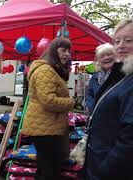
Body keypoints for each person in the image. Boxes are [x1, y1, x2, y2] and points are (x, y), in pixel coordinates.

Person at [85, 18, 133, 180]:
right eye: (117, 41)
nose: (121, 45)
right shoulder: (121, 74)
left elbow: (129, 137)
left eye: (128, 40)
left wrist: (105, 169)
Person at [21, 37, 74, 180]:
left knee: (44, 167)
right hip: (45, 128)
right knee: (50, 171)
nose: (67, 54)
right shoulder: (46, 70)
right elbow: (48, 101)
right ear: (53, 51)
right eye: (63, 50)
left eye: (69, 51)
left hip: (46, 126)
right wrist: (70, 102)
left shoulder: (50, 69)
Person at [85, 43, 116, 114]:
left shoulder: (120, 75)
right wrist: (93, 109)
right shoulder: (95, 76)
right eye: (102, 56)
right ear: (98, 60)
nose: (106, 58)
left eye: (109, 54)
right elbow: (89, 96)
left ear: (115, 56)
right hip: (97, 117)